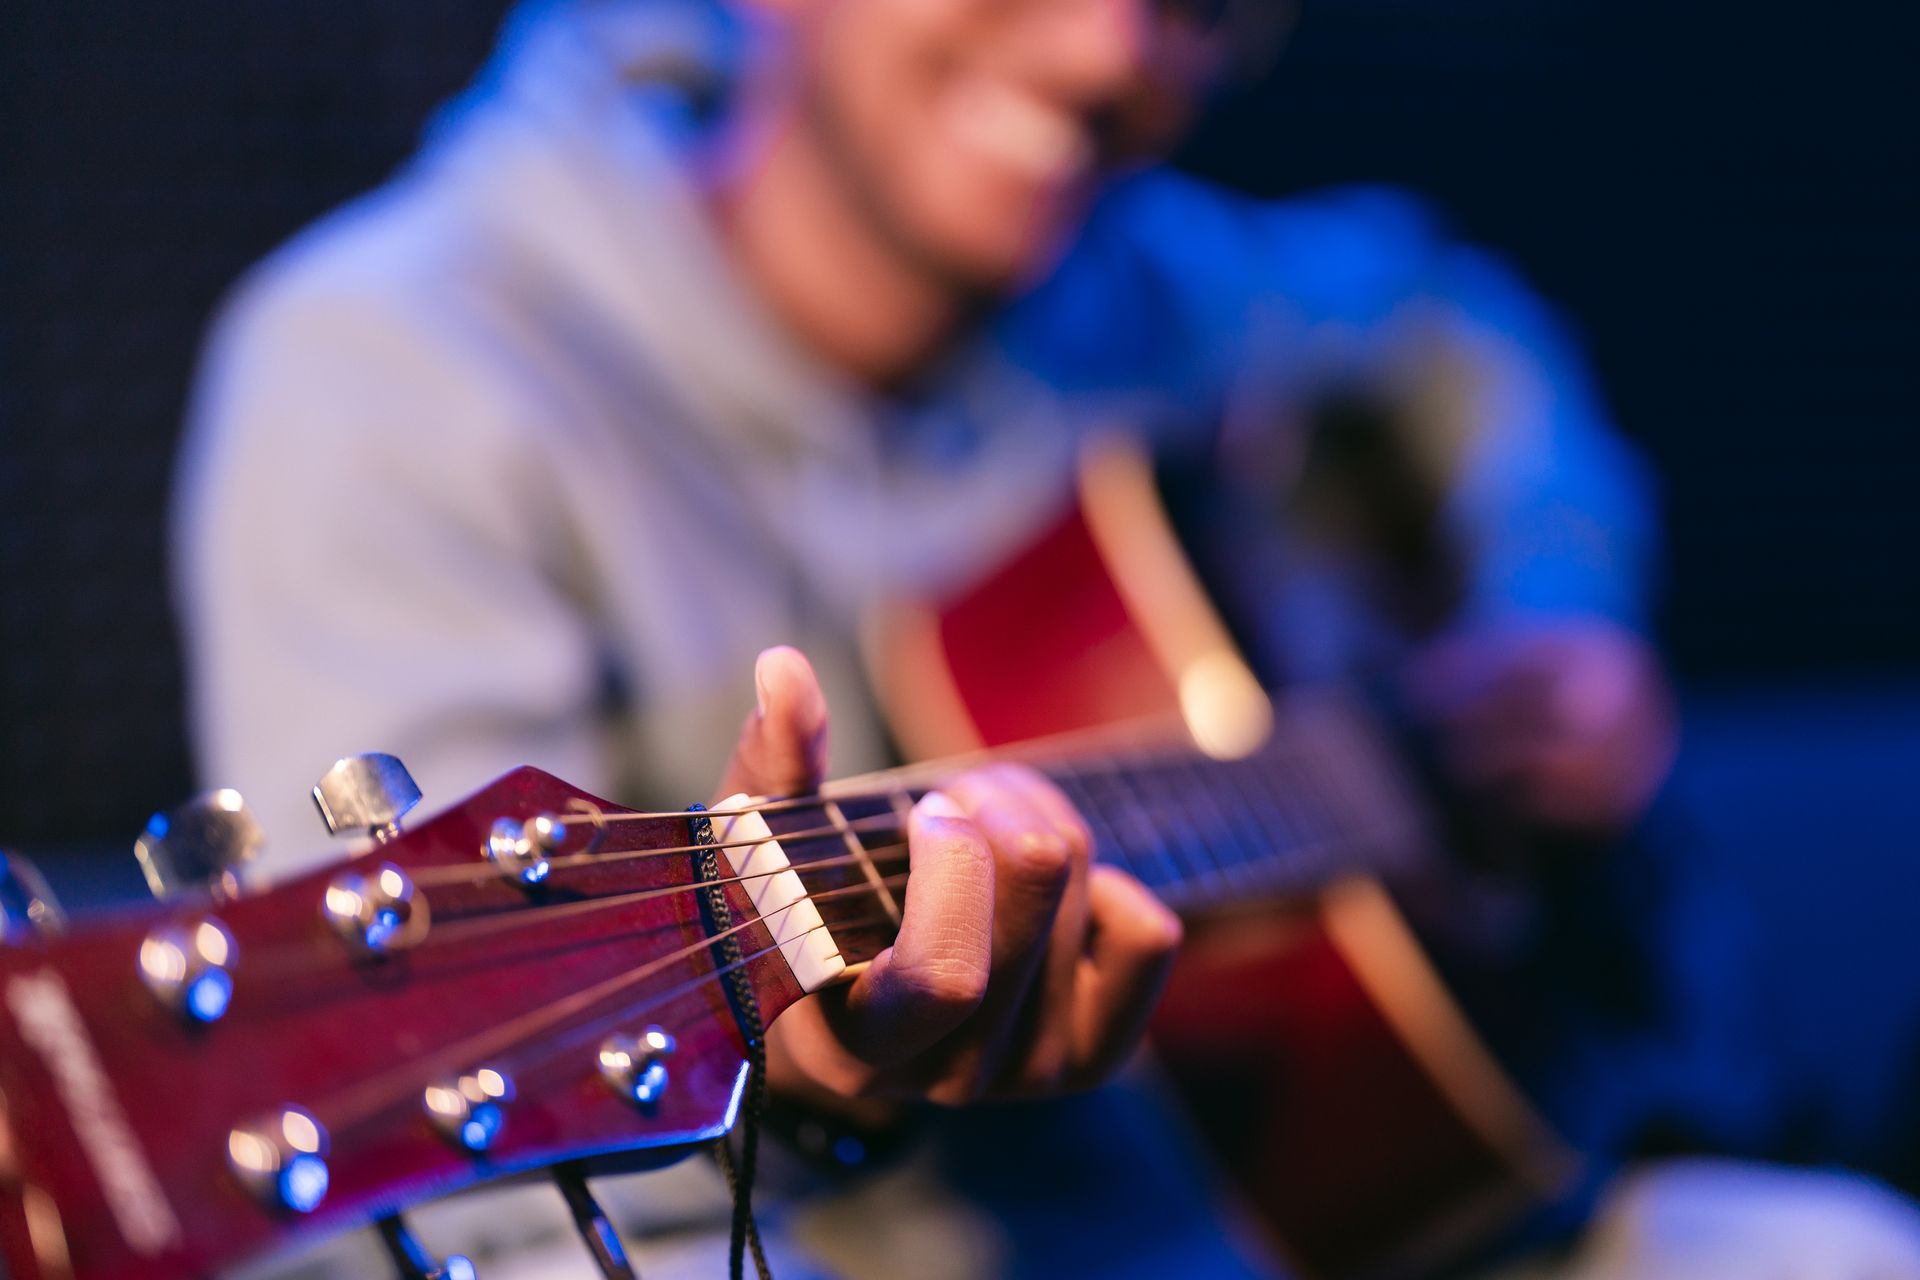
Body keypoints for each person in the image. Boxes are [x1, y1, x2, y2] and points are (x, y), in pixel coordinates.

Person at [174, 0, 1919, 1275]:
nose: (1108, 53)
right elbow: (476, 1197)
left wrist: (1555, 612)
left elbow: (1460, 333)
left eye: (1199, 6)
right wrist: (830, 1096)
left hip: (1347, 1201)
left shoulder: (1150, 283)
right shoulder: (397, 371)